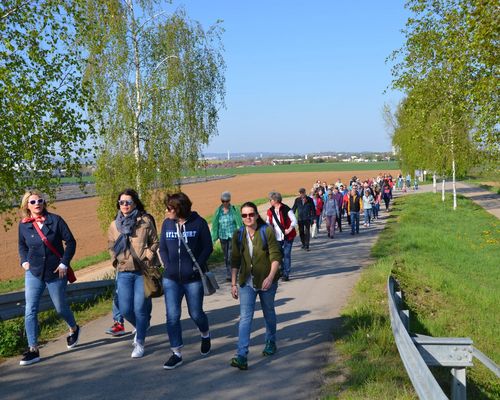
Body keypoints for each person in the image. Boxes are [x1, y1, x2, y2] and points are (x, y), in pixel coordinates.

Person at [18, 190, 80, 366]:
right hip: (34, 272)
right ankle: (33, 349)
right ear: (26, 205)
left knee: (60, 307)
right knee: (30, 309)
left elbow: (71, 242)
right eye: (32, 202)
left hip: (56, 271)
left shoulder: (56, 220)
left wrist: (64, 263)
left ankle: (74, 328)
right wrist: (24, 262)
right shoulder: (23, 225)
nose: (37, 204)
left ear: (44, 203)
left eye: (40, 200)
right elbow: (21, 245)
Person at [159, 192, 213, 370]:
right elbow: (163, 248)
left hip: (193, 279)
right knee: (172, 316)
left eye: (170, 208)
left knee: (196, 313)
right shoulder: (167, 224)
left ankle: (205, 334)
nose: (166, 211)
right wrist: (167, 265)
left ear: (179, 208)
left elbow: (208, 247)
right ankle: (176, 353)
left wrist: (195, 266)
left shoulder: (199, 223)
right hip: (171, 279)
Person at [108, 189, 159, 358]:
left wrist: (149, 254)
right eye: (121, 202)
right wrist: (115, 260)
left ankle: (140, 342)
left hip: (141, 271)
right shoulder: (114, 225)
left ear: (135, 203)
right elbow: (110, 246)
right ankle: (141, 326)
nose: (125, 205)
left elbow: (155, 241)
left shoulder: (144, 221)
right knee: (124, 309)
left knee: (140, 308)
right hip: (124, 271)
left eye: (128, 202)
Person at [230, 202, 282, 370]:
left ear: (257, 215)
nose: (248, 218)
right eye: (244, 215)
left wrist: (270, 276)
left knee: (268, 312)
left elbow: (276, 257)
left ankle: (270, 342)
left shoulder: (266, 231)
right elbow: (235, 261)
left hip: (267, 280)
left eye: (251, 214)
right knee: (245, 318)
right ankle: (242, 355)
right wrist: (233, 283)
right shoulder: (238, 234)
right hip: (247, 282)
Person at [211, 191, 243, 282]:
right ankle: (230, 274)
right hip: (223, 237)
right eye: (223, 201)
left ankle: (233, 274)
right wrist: (213, 238)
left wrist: (240, 234)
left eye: (227, 201)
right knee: (226, 257)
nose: (225, 203)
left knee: (231, 255)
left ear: (229, 200)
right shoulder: (218, 212)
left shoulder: (234, 210)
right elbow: (215, 225)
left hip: (233, 236)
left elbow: (239, 222)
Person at [266, 191, 297, 281]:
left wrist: (289, 229)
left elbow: (294, 220)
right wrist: (269, 228)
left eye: (270, 199)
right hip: (276, 237)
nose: (270, 201)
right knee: (279, 255)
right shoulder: (270, 210)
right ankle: (282, 270)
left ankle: (286, 273)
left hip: (288, 236)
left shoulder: (286, 209)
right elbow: (268, 222)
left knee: (286, 254)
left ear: (275, 200)